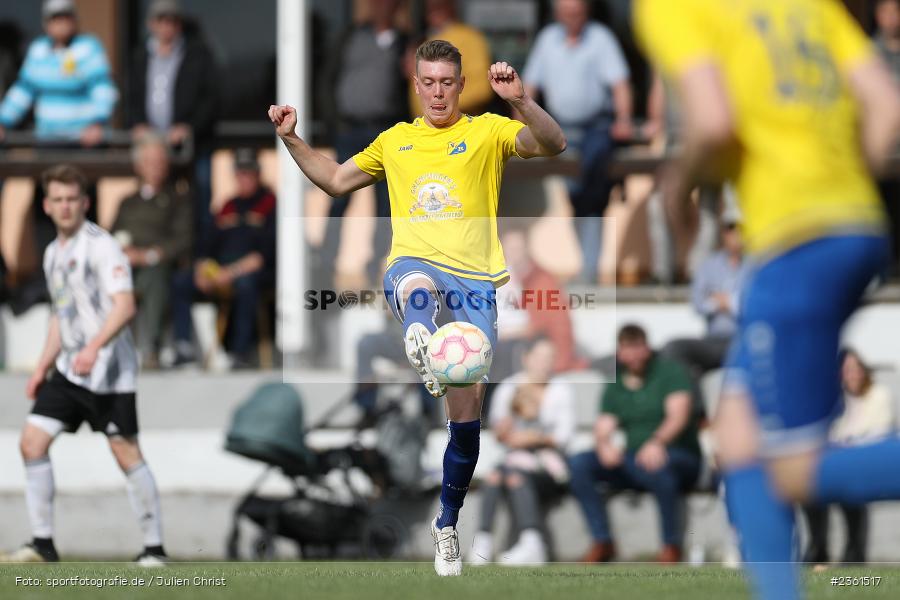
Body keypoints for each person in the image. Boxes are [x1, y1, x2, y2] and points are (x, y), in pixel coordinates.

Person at [268, 39, 567, 576]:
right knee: (413, 282)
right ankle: (422, 336)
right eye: (427, 82)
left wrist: (520, 101)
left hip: (477, 286)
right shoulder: (395, 141)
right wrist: (292, 139)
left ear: (461, 84)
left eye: (446, 83)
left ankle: (446, 523)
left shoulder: (486, 131)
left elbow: (554, 143)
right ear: (415, 83)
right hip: (416, 265)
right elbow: (335, 180)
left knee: (466, 419)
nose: (437, 92)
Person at [636, 0, 900, 598]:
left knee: (787, 469)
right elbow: (887, 106)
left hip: (793, 247)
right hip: (859, 225)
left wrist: (677, 190)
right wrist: (836, 187)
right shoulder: (811, 7)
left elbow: (711, 122)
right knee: (737, 438)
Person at [0, 165, 165, 565]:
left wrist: (93, 347)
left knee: (125, 452)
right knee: (31, 442)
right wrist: (42, 367)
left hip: (109, 371)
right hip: (71, 370)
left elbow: (124, 306)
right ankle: (43, 545)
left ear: (85, 202)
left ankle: (154, 549)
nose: (65, 207)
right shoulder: (53, 253)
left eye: (72, 199)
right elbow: (61, 315)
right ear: (47, 205)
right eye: (57, 200)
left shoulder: (102, 245)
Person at [568, 324, 701, 564]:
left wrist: (657, 442)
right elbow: (604, 425)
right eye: (627, 348)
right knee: (580, 463)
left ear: (647, 348)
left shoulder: (670, 373)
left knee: (660, 467)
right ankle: (602, 541)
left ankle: (671, 547)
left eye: (637, 347)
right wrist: (603, 445)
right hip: (634, 458)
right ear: (619, 352)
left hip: (679, 455)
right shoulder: (617, 384)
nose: (633, 354)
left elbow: (678, 415)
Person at [522, 0, 634, 284]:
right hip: (560, 131)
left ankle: (589, 273)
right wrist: (519, 121)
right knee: (576, 198)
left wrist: (623, 119)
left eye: (578, 13)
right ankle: (587, 269)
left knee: (592, 199)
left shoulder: (601, 39)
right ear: (558, 14)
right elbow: (529, 86)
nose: (573, 18)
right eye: (568, 13)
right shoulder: (547, 40)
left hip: (597, 130)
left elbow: (620, 83)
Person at [318, 0, 407, 288]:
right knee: (339, 196)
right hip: (349, 129)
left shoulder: (405, 42)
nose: (380, 7)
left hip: (384, 130)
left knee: (385, 205)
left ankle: (376, 263)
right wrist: (333, 123)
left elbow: (413, 88)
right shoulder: (350, 36)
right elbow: (327, 79)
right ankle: (325, 263)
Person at [469, 337, 575, 566]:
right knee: (495, 476)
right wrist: (509, 427)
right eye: (540, 358)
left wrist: (531, 439)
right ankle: (483, 541)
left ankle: (532, 542)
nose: (545, 364)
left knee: (513, 475)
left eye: (550, 359)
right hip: (514, 462)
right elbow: (500, 433)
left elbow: (563, 438)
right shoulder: (510, 387)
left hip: (549, 466)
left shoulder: (561, 389)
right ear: (526, 359)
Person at [127, 0, 220, 256]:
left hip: (193, 145)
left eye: (172, 20)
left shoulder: (197, 54)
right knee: (155, 202)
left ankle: (200, 262)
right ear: (151, 24)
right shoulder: (140, 55)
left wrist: (188, 127)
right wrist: (137, 124)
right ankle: (160, 261)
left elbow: (211, 99)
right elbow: (131, 96)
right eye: (161, 20)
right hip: (152, 145)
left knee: (199, 203)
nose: (167, 26)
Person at [170, 148, 276, 369]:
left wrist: (231, 272)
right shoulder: (227, 206)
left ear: (258, 174)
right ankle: (183, 347)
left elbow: (263, 255)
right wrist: (203, 271)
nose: (244, 178)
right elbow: (205, 246)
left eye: (249, 172)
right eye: (240, 173)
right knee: (181, 281)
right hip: (219, 272)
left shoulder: (270, 205)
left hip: (251, 274)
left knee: (247, 286)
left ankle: (241, 353)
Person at [801, 349, 896, 566]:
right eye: (846, 370)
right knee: (811, 491)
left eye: (855, 369)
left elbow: (879, 431)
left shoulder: (878, 395)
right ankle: (818, 548)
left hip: (867, 462)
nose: (851, 374)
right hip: (838, 459)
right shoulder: (835, 400)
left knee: (850, 491)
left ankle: (854, 555)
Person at [110, 133, 192, 368]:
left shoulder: (177, 199)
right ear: (139, 165)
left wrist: (148, 255)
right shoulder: (128, 202)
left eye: (160, 161)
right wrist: (122, 252)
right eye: (150, 161)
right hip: (126, 266)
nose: (156, 166)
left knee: (154, 277)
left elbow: (182, 240)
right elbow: (111, 235)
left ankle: (151, 349)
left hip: (158, 266)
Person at [0, 0, 117, 144]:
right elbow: (23, 92)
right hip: (48, 139)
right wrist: (3, 121)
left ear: (74, 20)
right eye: (56, 18)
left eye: (66, 17)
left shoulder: (89, 47)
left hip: (83, 140)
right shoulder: (38, 50)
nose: (61, 23)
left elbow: (103, 89)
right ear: (46, 23)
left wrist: (98, 123)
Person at [661, 216, 746, 380]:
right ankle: (695, 404)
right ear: (724, 235)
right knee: (675, 349)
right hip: (714, 339)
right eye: (730, 232)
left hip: (744, 339)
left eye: (739, 232)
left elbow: (756, 304)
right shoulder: (708, 266)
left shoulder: (756, 265)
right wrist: (730, 302)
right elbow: (698, 304)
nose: (735, 237)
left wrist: (727, 301)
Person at [407, 0, 493, 117]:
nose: (433, 10)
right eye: (429, 6)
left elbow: (482, 88)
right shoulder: (423, 41)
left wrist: (440, 105)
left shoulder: (469, 37)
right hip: (425, 129)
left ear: (451, 5)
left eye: (438, 5)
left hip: (462, 127)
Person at [873, 0, 900, 276]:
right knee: (884, 221)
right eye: (887, 12)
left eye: (896, 12)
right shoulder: (868, 54)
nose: (892, 19)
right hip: (883, 156)